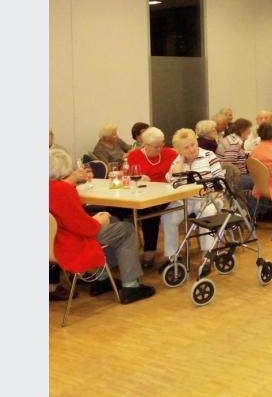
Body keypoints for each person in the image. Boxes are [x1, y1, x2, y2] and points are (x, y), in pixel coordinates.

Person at [49, 148, 155, 304]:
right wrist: (99, 220)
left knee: (113, 221)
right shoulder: (62, 190)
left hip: (52, 241)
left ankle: (102, 278)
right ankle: (131, 286)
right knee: (126, 229)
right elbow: (86, 228)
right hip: (69, 242)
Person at [159, 128, 225, 270]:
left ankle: (207, 255)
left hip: (210, 198)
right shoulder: (178, 162)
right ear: (178, 150)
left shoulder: (209, 155)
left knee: (207, 213)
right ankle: (173, 257)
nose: (191, 149)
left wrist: (211, 197)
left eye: (193, 144)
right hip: (185, 200)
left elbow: (220, 181)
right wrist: (181, 161)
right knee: (168, 217)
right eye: (186, 147)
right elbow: (172, 182)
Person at [126, 127, 178, 268]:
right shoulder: (134, 156)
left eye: (162, 144)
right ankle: (124, 255)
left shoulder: (170, 153)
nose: (161, 148)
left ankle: (149, 251)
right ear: (146, 145)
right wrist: (139, 179)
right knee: (120, 212)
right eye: (156, 146)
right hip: (142, 194)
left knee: (150, 212)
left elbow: (178, 174)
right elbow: (128, 177)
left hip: (167, 194)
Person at [216, 117, 254, 193]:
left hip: (231, 175)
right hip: (232, 178)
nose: (250, 133)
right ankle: (258, 204)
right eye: (249, 130)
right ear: (243, 130)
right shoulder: (235, 144)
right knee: (261, 182)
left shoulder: (231, 138)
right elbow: (227, 165)